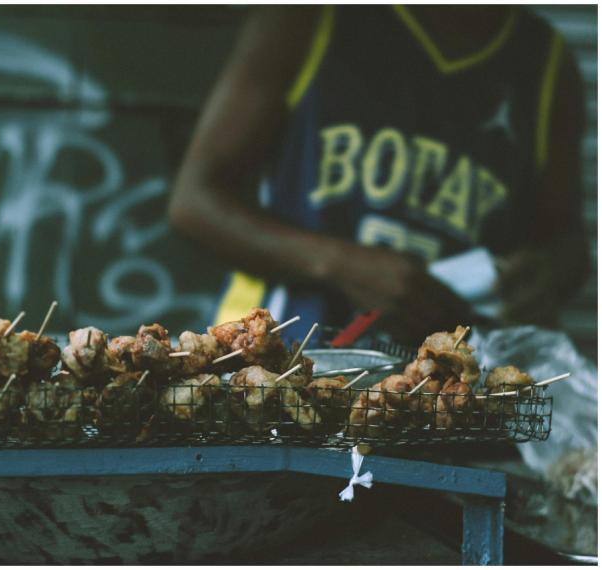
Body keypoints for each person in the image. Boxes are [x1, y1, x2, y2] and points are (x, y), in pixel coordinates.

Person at [169, 5, 589, 344]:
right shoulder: (308, 16)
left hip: (449, 395)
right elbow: (195, 202)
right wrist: (342, 265)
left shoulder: (545, 62)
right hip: (281, 359)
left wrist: (542, 277)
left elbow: (568, 244)